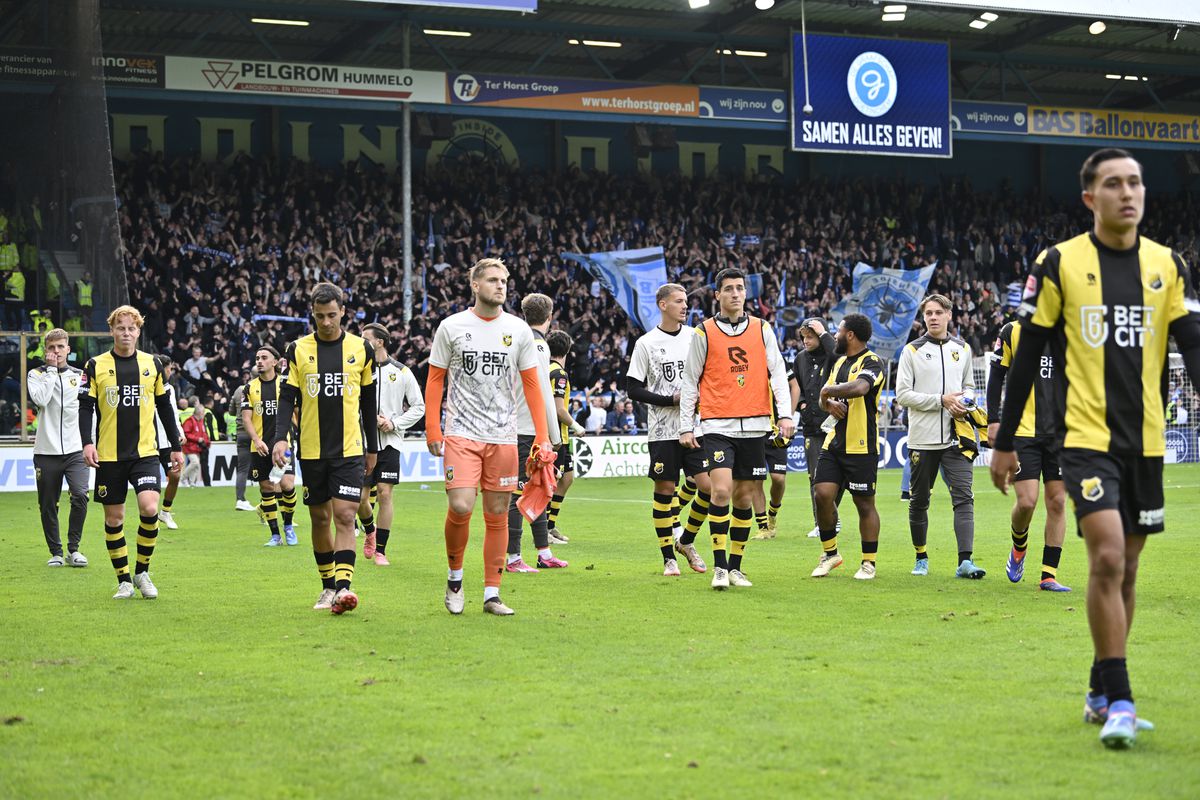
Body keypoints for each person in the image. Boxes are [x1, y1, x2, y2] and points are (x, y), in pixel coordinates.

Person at [991, 148, 1200, 749]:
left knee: (1127, 568)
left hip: (1147, 444)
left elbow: (1192, 343)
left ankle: (1099, 688)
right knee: (1106, 557)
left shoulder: (1168, 265)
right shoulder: (1058, 263)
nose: (1128, 192)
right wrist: (1004, 441)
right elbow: (1027, 353)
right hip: (1083, 438)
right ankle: (1124, 702)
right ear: (1090, 198)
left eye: (1135, 182)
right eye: (1114, 184)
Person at [424, 258, 554, 616]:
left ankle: (492, 594)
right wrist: (433, 428)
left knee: (497, 513)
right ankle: (454, 578)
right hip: (462, 433)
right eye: (494, 280)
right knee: (461, 506)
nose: (501, 286)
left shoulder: (518, 330)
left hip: (503, 437)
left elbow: (532, 387)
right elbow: (435, 379)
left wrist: (542, 436)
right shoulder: (452, 327)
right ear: (475, 285)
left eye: (504, 281)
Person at [679, 268, 793, 589]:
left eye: (739, 288)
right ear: (717, 295)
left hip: (756, 425)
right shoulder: (703, 332)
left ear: (746, 293)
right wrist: (686, 426)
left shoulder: (762, 328)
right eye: (728, 289)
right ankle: (719, 568)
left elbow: (778, 374)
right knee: (721, 491)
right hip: (716, 424)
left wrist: (784, 416)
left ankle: (736, 568)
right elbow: (690, 382)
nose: (734, 294)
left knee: (743, 499)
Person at [272, 282, 378, 615]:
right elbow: (288, 396)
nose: (327, 322)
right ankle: (327, 585)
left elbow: (369, 402)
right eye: (320, 317)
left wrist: (372, 446)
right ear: (313, 316)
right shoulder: (298, 349)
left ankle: (344, 588)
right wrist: (279, 437)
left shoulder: (362, 349)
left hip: (349, 449)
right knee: (320, 518)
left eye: (332, 315)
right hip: (312, 449)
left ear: (343, 312)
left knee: (346, 515)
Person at [78, 306, 183, 599]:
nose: (126, 333)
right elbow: (85, 406)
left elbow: (164, 407)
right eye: (120, 328)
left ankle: (142, 572)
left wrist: (175, 447)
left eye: (131, 328)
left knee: (150, 508)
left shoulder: (152, 364)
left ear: (138, 331)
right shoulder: (95, 365)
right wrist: (87, 442)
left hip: (145, 453)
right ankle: (124, 579)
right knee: (115, 519)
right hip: (108, 455)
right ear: (112, 330)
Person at [896, 294, 984, 579]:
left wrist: (966, 401)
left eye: (937, 312)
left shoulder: (963, 348)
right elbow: (902, 395)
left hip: (957, 438)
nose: (932, 318)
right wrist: (940, 400)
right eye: (928, 313)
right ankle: (921, 557)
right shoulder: (912, 350)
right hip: (922, 438)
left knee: (964, 498)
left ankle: (965, 561)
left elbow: (970, 387)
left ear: (949, 315)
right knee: (920, 500)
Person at [628, 283, 712, 576]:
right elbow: (633, 389)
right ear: (662, 305)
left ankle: (686, 541)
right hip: (663, 431)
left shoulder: (695, 337)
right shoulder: (646, 343)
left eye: (686, 301)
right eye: (678, 301)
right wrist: (670, 400)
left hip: (695, 427)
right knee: (665, 490)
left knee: (709, 487)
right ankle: (668, 558)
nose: (684, 306)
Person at [986, 318, 1071, 592]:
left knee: (1057, 501)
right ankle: (1019, 546)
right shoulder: (1013, 330)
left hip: (1061, 432)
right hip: (1023, 431)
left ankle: (1048, 575)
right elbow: (996, 375)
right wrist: (993, 420)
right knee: (1027, 503)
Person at [810, 314, 886, 579]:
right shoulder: (839, 362)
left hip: (862, 445)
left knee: (864, 505)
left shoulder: (873, 361)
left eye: (838, 330)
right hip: (834, 443)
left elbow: (861, 388)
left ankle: (868, 562)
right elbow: (824, 401)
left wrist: (829, 392)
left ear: (850, 334)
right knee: (822, 494)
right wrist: (827, 401)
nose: (835, 335)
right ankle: (830, 554)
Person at [505, 293, 564, 573]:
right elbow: (543, 391)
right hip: (528, 430)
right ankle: (513, 558)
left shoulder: (515, 339)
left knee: (539, 488)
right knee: (519, 492)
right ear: (550, 316)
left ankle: (544, 551)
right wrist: (552, 434)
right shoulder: (537, 345)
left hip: (517, 427)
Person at [360, 322, 425, 566]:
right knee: (359, 499)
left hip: (389, 443)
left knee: (385, 494)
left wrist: (394, 423)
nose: (361, 341)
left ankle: (380, 551)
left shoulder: (401, 371)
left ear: (380, 342)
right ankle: (369, 530)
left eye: (366, 338)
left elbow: (419, 407)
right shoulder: (357, 371)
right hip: (363, 442)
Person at [27, 328, 89, 568]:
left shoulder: (80, 375)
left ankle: (74, 550)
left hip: (75, 450)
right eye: (52, 348)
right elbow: (41, 400)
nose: (56, 352)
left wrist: (89, 442)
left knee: (81, 496)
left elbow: (87, 411)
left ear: (68, 349)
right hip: (46, 451)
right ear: (46, 350)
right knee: (48, 503)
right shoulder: (36, 374)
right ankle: (55, 551)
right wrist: (51, 371)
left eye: (61, 347)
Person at [243, 346, 292, 546]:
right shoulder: (249, 387)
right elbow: (246, 418)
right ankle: (275, 535)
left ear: (275, 362)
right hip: (260, 446)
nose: (260, 361)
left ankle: (288, 526)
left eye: (264, 358)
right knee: (267, 488)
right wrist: (256, 439)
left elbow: (296, 412)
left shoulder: (286, 384)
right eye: (257, 358)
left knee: (287, 485)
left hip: (283, 442)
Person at [793, 318, 838, 538]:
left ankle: (831, 517)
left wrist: (823, 335)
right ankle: (821, 523)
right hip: (811, 426)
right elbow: (798, 386)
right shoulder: (800, 358)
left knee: (836, 477)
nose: (805, 341)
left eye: (810, 337)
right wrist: (801, 403)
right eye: (803, 337)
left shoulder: (832, 356)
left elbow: (840, 357)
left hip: (834, 424)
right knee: (815, 477)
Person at [546, 330, 586, 545]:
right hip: (556, 437)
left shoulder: (546, 369)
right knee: (550, 483)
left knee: (566, 478)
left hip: (556, 436)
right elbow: (559, 409)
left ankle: (550, 526)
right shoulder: (559, 374)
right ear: (567, 350)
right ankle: (544, 530)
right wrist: (577, 426)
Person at [752, 362, 799, 540]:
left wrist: (788, 415)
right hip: (754, 429)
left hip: (777, 430)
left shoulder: (776, 360)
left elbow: (795, 387)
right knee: (756, 479)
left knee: (778, 479)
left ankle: (772, 513)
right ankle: (764, 526)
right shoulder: (747, 360)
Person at [153, 356, 184, 530]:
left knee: (175, 475)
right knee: (152, 481)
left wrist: (179, 432)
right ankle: (151, 516)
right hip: (149, 440)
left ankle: (165, 511)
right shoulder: (148, 386)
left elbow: (173, 414)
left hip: (167, 441)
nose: (170, 372)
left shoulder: (170, 388)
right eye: (169, 369)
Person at [230, 381, 255, 512]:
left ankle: (240, 499)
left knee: (242, 469)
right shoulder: (258, 388)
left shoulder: (238, 389)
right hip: (256, 433)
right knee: (265, 468)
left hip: (240, 432)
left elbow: (231, 411)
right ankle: (266, 502)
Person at [181, 396, 209, 487]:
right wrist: (198, 439)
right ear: (199, 413)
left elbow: (203, 433)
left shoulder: (200, 421)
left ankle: (192, 482)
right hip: (189, 447)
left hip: (197, 447)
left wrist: (206, 442)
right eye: (203, 412)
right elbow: (186, 434)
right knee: (195, 462)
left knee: (196, 466)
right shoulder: (189, 421)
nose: (204, 414)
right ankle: (183, 478)